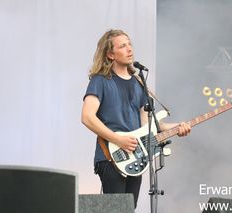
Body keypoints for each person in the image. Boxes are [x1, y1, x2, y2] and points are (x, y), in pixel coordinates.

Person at [81, 29, 191, 208]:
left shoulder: (139, 82)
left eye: (129, 44)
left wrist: (178, 126)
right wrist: (118, 139)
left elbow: (148, 125)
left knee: (129, 209)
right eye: (122, 46)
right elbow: (87, 117)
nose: (129, 49)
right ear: (110, 54)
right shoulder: (99, 81)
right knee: (116, 210)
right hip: (110, 156)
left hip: (136, 155)